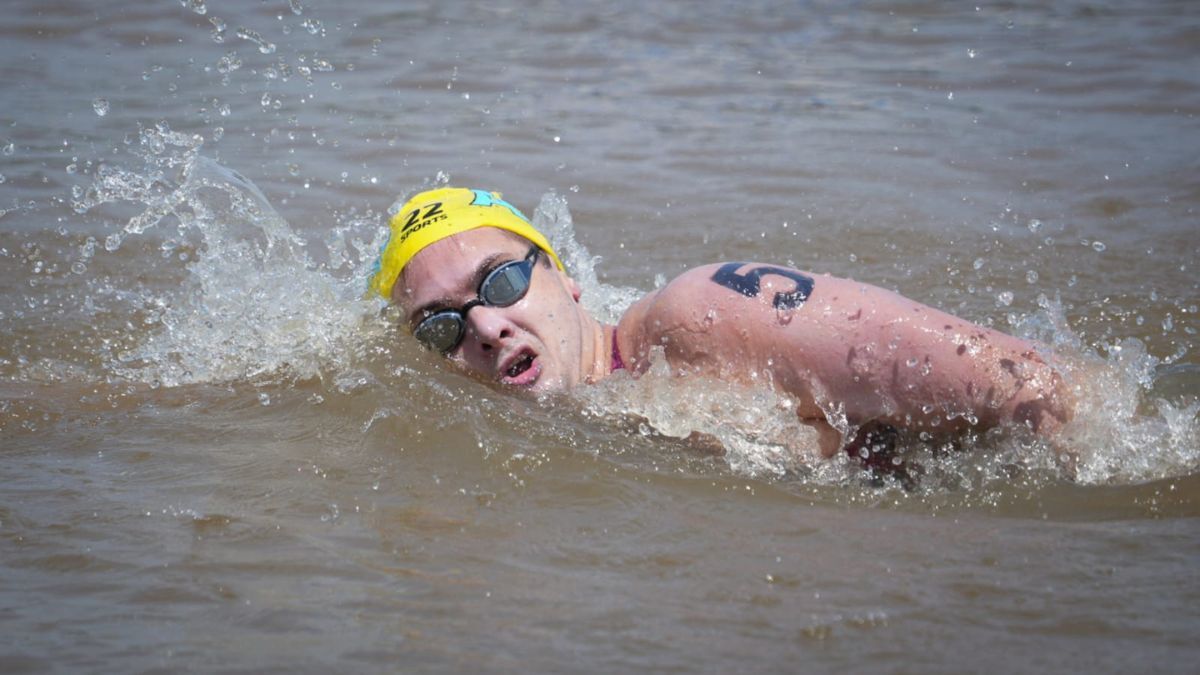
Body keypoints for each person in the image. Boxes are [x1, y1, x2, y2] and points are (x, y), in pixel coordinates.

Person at [369, 186, 1073, 462]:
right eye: (440, 326)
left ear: (564, 275)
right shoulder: (591, 425)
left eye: (501, 279)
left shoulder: (697, 315)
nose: (486, 326)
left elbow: (1023, 384)